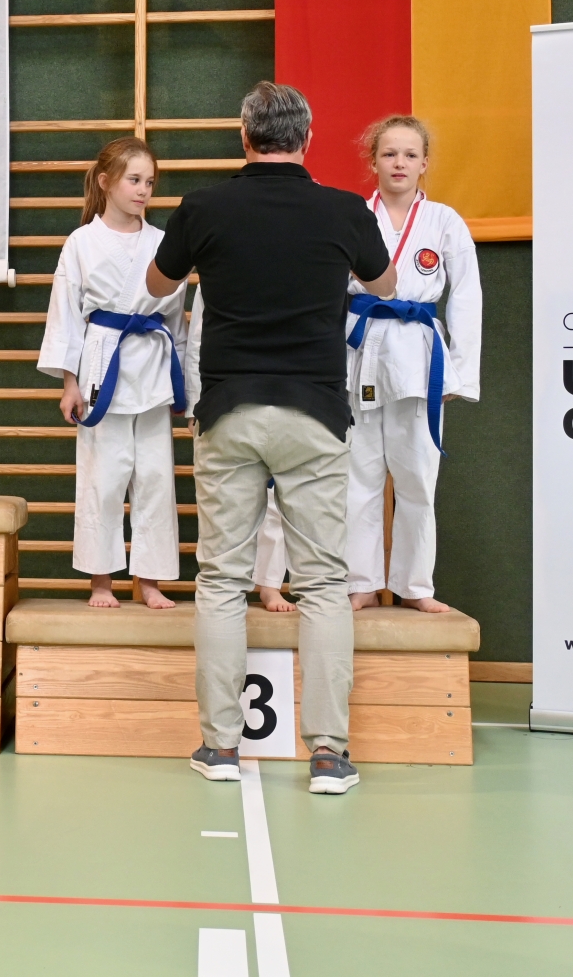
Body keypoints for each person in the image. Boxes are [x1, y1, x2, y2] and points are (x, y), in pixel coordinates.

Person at [148, 81, 394, 795]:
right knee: (323, 584)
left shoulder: (205, 208)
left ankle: (220, 747)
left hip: (230, 410)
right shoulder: (344, 211)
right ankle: (329, 755)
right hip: (314, 411)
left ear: (244, 136)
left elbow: (158, 282)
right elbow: (385, 284)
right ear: (307, 139)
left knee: (222, 580)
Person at [38, 137, 189, 611]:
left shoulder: (162, 243)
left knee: (156, 479)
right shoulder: (82, 242)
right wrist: (69, 383)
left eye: (150, 182)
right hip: (102, 364)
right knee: (102, 479)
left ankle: (149, 580)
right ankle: (101, 580)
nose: (143, 190)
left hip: (154, 365)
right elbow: (65, 313)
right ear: (105, 182)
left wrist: (184, 384)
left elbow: (177, 319)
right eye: (134, 180)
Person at [342, 116, 481, 613]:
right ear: (373, 162)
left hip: (420, 357)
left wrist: (460, 371)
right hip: (359, 351)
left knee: (418, 477)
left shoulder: (444, 221)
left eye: (409, 154)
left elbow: (466, 298)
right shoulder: (353, 215)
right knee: (358, 476)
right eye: (389, 154)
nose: (399, 163)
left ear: (424, 163)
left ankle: (416, 586)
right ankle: (360, 582)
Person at [184, 283, 293, 611]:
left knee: (279, 498)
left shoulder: (297, 262)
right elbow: (198, 340)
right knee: (224, 502)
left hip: (286, 385)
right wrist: (195, 403)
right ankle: (225, 587)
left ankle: (270, 584)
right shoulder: (216, 268)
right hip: (227, 392)